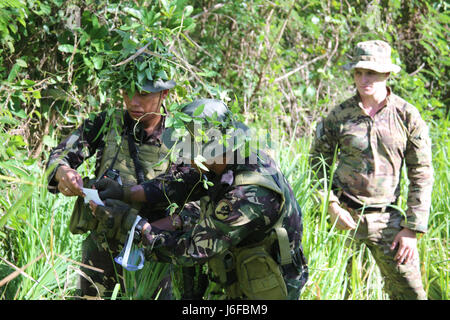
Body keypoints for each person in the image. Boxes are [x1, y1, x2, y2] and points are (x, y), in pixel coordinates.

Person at [90, 99, 309, 300]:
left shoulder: (248, 194)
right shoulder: (227, 158)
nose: (185, 157)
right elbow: (180, 182)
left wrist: (130, 223)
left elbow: (193, 250)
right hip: (238, 274)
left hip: (265, 289)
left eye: (189, 149)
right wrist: (124, 192)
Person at [45, 44, 187, 299]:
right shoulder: (107, 123)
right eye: (127, 91)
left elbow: (195, 203)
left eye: (143, 93)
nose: (133, 101)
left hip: (152, 254)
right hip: (101, 250)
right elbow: (59, 155)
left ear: (164, 93)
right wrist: (64, 173)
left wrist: (149, 231)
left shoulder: (180, 137)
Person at [310, 40, 433, 299]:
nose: (364, 79)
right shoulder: (339, 116)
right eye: (358, 72)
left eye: (371, 73)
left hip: (389, 220)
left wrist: (412, 228)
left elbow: (421, 172)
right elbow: (316, 165)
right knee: (338, 292)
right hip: (344, 219)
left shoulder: (406, 115)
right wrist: (330, 206)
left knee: (411, 293)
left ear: (387, 74)